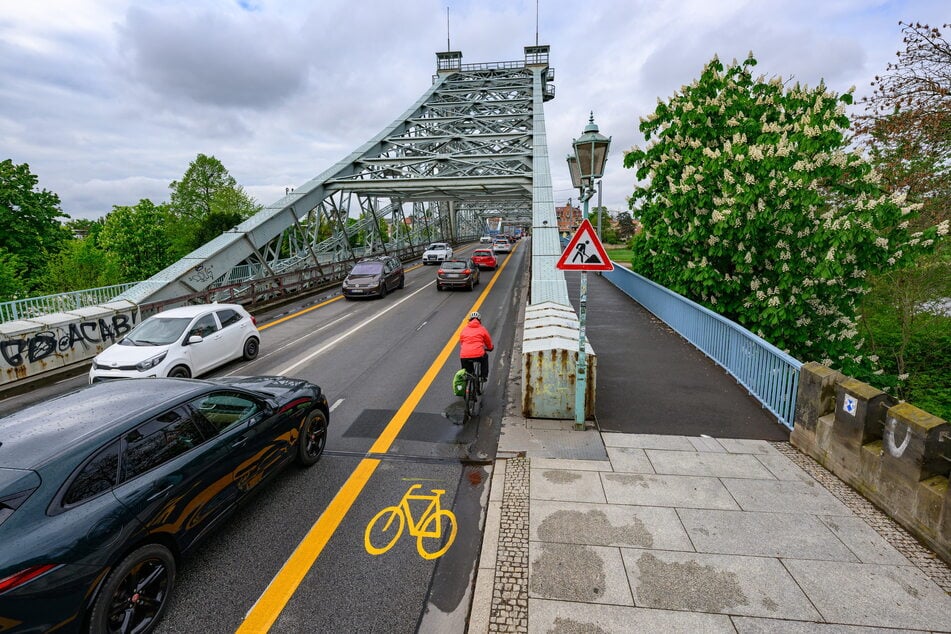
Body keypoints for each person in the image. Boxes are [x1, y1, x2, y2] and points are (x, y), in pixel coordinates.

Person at [459, 311, 493, 382]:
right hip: (479, 354)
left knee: (468, 372)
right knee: (485, 357)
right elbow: (488, 341)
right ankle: (483, 376)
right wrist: (490, 348)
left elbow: (462, 342)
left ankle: (468, 379)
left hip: (464, 355)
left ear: (469, 320)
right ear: (479, 320)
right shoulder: (482, 329)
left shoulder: (464, 329)